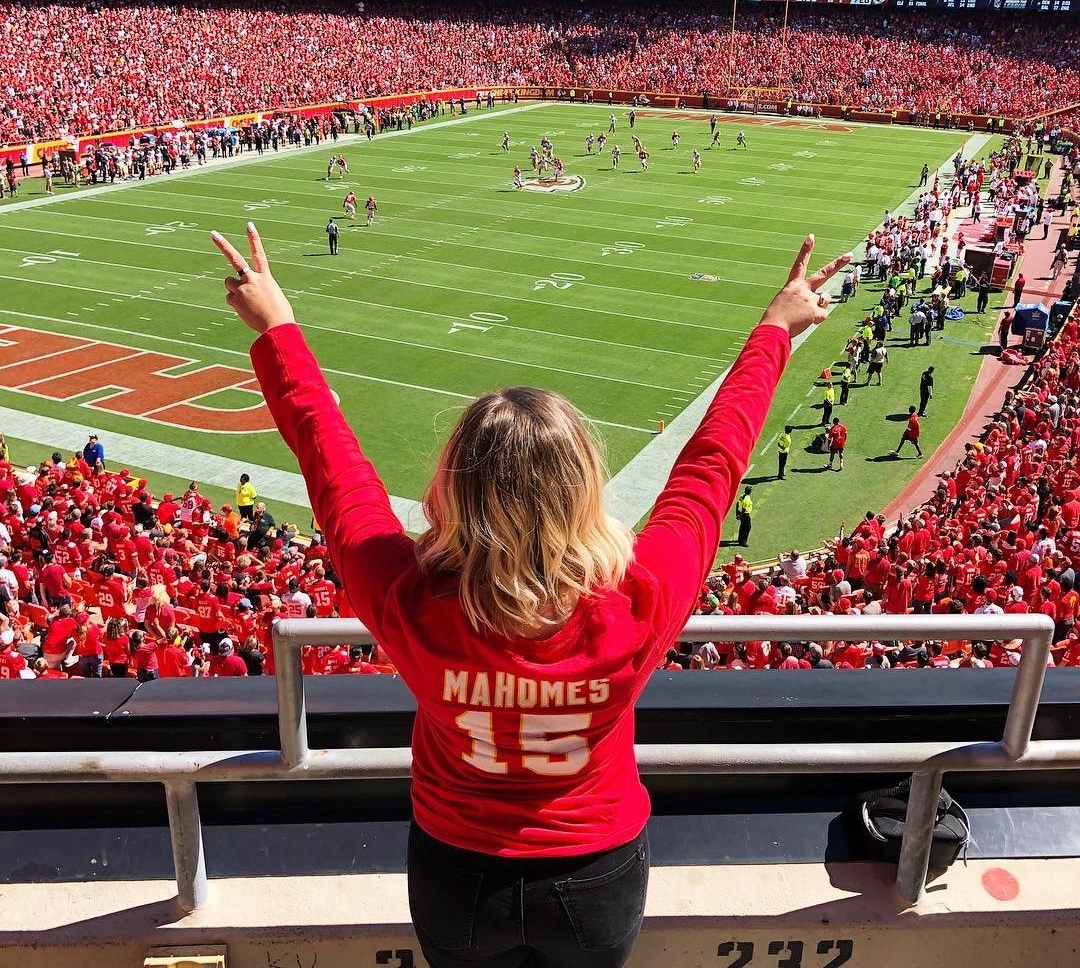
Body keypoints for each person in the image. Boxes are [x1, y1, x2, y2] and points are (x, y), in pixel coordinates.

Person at [210, 221, 845, 968]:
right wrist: (775, 329)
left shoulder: (410, 598)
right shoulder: (638, 599)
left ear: (453, 487)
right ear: (584, 489)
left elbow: (331, 462)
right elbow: (712, 465)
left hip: (457, 865)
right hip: (595, 866)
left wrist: (280, 329)